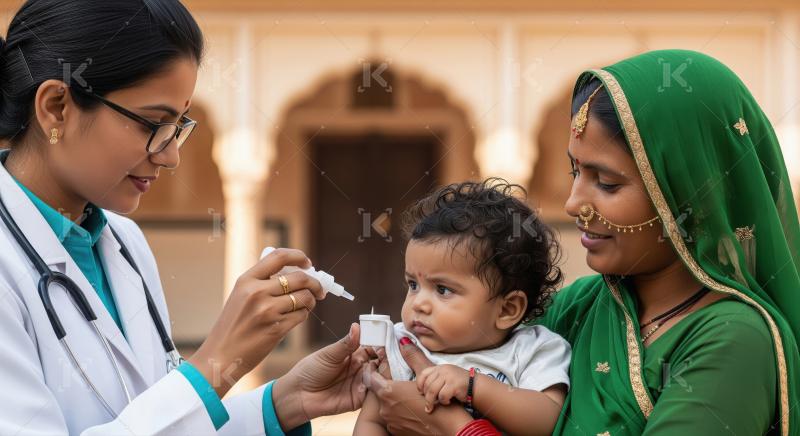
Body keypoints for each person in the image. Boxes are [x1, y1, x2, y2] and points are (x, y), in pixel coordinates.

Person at [368, 49, 800, 436]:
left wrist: (457, 431)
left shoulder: (733, 341)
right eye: (575, 173)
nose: (574, 204)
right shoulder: (579, 308)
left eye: (607, 183)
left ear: (690, 196)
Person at [0, 1, 368, 434]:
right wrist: (217, 360)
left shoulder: (123, 241)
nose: (171, 154)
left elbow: (162, 421)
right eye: (153, 123)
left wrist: (284, 402)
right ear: (58, 107)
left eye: (178, 126)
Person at [354, 179, 571, 435]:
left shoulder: (534, 351)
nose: (418, 303)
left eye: (443, 290)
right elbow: (372, 421)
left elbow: (545, 421)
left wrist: (473, 387)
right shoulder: (401, 346)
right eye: (413, 285)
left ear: (507, 309)